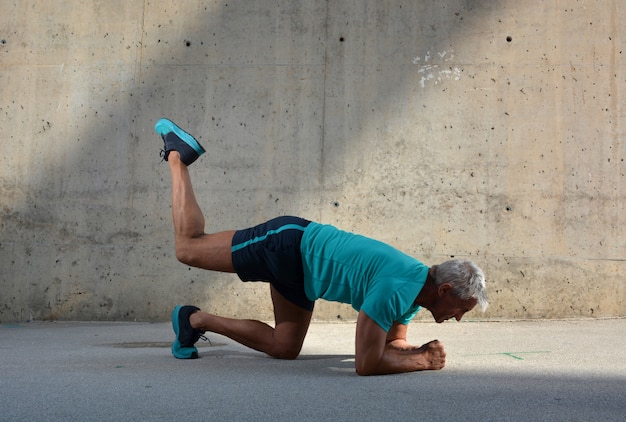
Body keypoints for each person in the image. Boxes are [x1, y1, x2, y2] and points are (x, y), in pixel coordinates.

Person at [154, 118, 488, 376]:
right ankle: (177, 155)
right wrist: (422, 361)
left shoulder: (415, 292)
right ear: (444, 290)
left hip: (303, 274)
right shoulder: (397, 287)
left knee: (284, 347)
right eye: (462, 308)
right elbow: (366, 364)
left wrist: (414, 351)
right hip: (287, 244)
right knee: (189, 248)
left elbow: (392, 343)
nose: (458, 318)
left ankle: (194, 320)